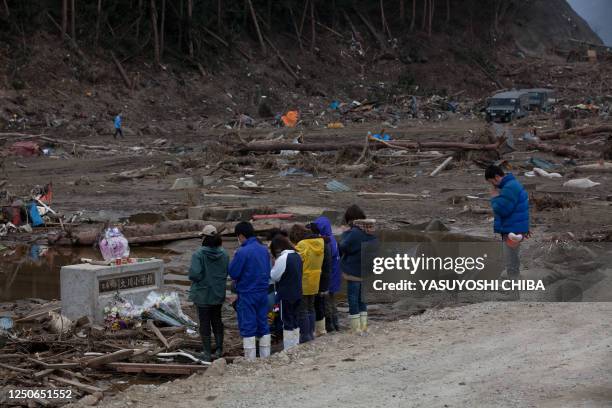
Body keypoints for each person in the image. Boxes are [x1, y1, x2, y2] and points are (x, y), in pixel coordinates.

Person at [229, 222, 272, 360]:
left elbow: (233, 273)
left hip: (247, 293)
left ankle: (250, 361)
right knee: (263, 324)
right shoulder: (264, 249)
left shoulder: (242, 252)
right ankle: (266, 357)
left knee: (248, 327)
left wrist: (234, 257)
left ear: (241, 236)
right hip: (263, 292)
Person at [188, 225, 229, 362]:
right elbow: (225, 272)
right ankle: (218, 350)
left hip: (203, 295)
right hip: (218, 294)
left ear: (204, 238)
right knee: (217, 321)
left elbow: (194, 274)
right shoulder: (224, 254)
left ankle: (206, 352)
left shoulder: (198, 254)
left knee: (205, 323)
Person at [485, 164, 530, 283]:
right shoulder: (512, 185)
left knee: (511, 260)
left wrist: (494, 197)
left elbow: (502, 210)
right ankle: (515, 288)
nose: (492, 185)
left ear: (496, 177)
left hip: (513, 230)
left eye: (491, 182)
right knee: (512, 258)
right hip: (514, 228)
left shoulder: (509, 188)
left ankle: (514, 293)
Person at [339, 205, 377, 335]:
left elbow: (343, 247)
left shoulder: (354, 233)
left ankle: (355, 329)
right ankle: (364, 326)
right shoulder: (369, 231)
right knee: (362, 300)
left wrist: (345, 233)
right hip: (365, 271)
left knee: (353, 299)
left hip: (353, 271)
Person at [290, 224, 323, 343]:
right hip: (315, 280)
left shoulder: (302, 245)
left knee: (303, 310)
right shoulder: (319, 243)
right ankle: (311, 333)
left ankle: (305, 336)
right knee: (311, 307)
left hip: (304, 280)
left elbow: (298, 261)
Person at [270, 236, 303, 350]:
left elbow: (274, 276)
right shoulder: (297, 255)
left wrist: (273, 264)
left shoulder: (283, 258)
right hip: (298, 292)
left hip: (286, 294)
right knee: (295, 319)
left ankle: (289, 348)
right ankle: (296, 345)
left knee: (286, 321)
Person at [312, 216, 341, 332]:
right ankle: (335, 323)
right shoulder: (332, 239)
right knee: (332, 302)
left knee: (327, 302)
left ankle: (330, 325)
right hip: (334, 276)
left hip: (329, 278)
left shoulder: (326, 243)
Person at [307, 221, 331, 336]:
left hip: (312, 280)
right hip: (322, 279)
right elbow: (327, 265)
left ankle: (314, 331)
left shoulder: (307, 245)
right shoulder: (325, 244)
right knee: (319, 304)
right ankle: (321, 330)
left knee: (312, 306)